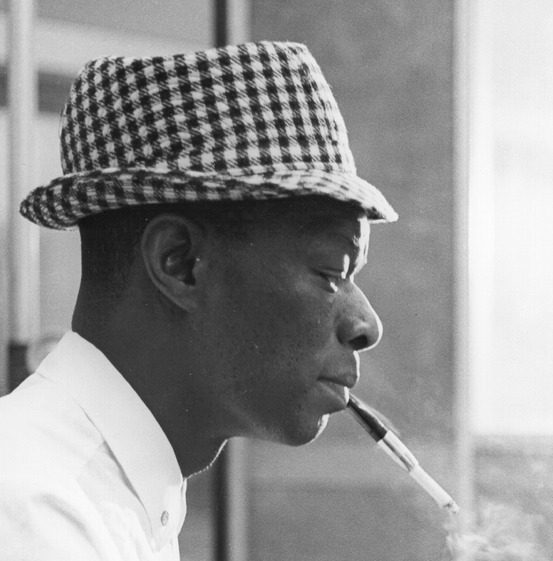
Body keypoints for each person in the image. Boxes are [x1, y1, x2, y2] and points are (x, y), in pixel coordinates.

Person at [0, 41, 397, 560]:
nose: (367, 324)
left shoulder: (117, 499)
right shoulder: (38, 513)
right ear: (180, 263)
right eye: (332, 272)